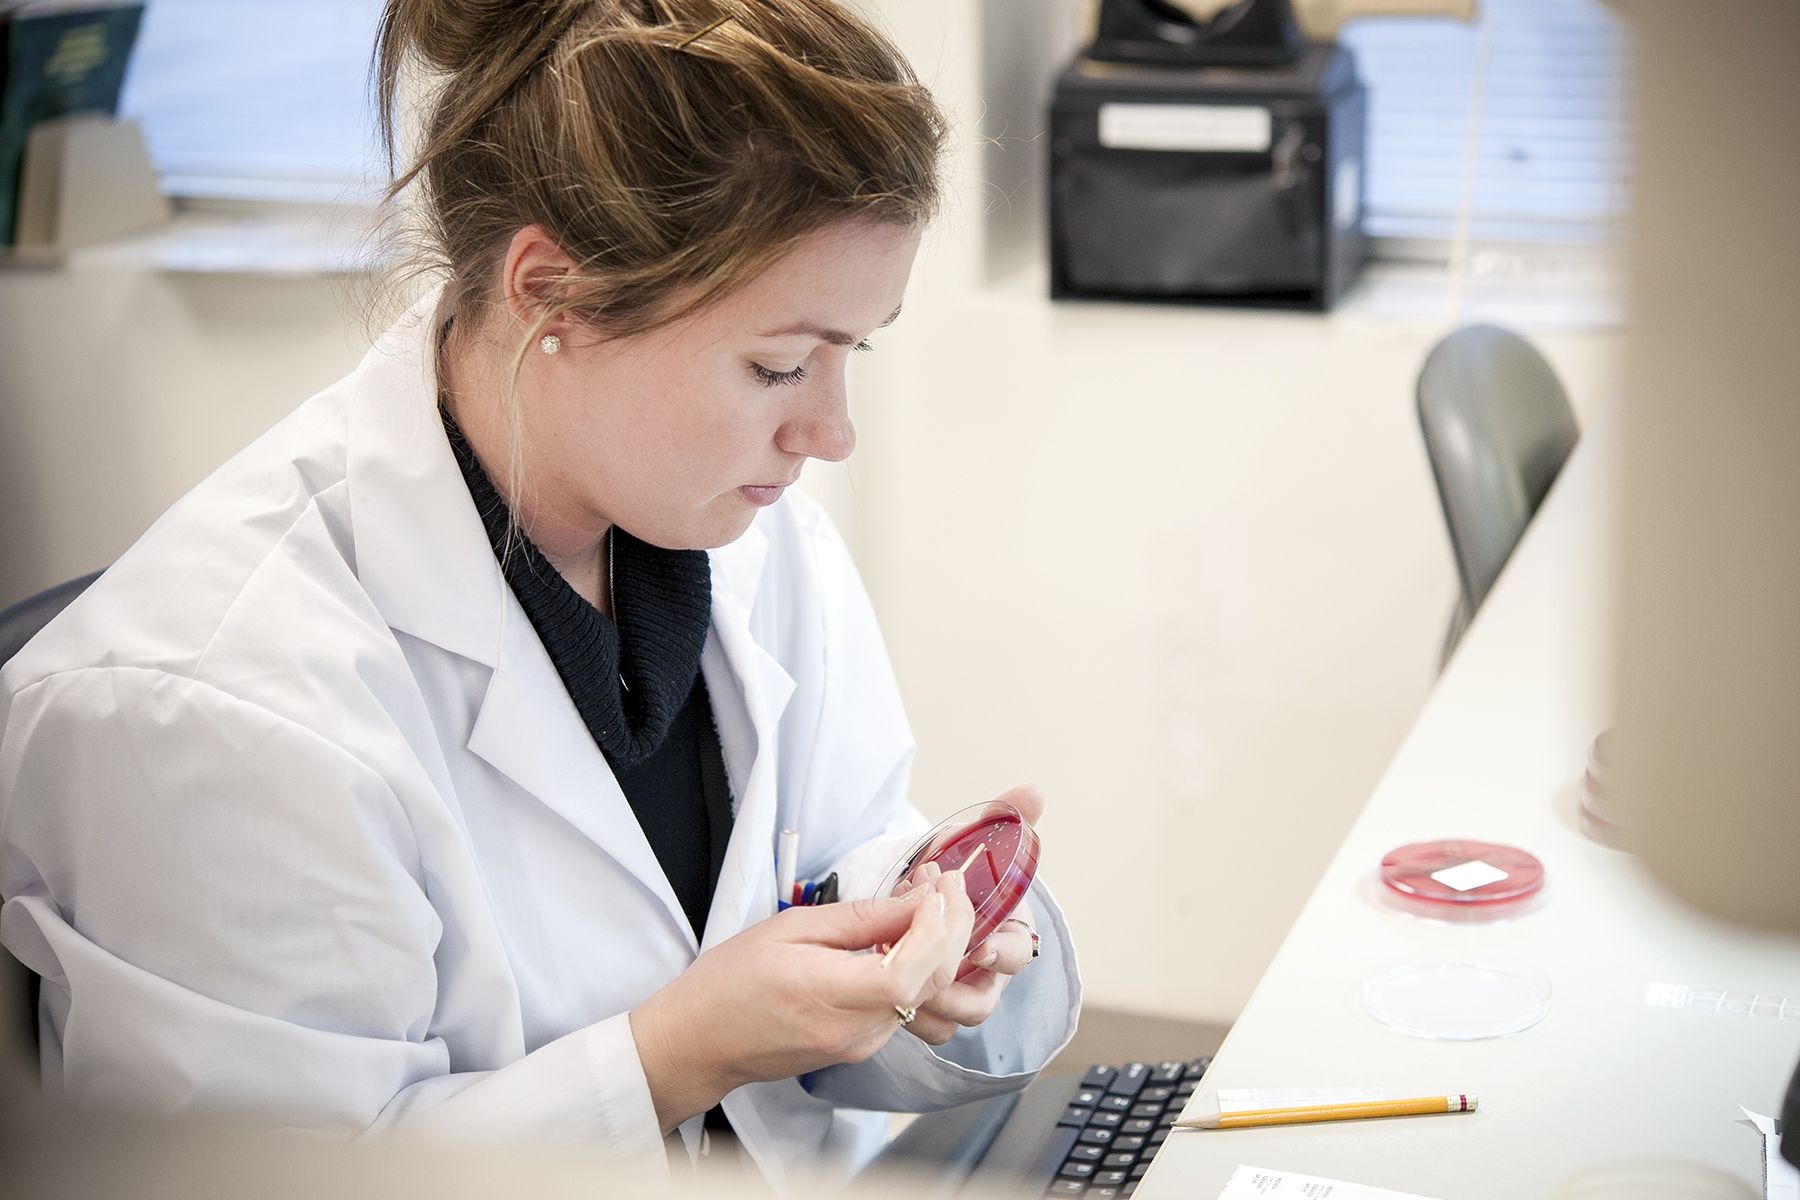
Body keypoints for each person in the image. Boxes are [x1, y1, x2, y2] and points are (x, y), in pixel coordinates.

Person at [0, 0, 1080, 1189]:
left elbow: (824, 854)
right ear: (551, 295)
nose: (829, 432)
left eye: (850, 352)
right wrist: (672, 1055)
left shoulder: (749, 537)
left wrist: (915, 931)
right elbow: (257, 1179)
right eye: (778, 365)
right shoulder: (203, 702)